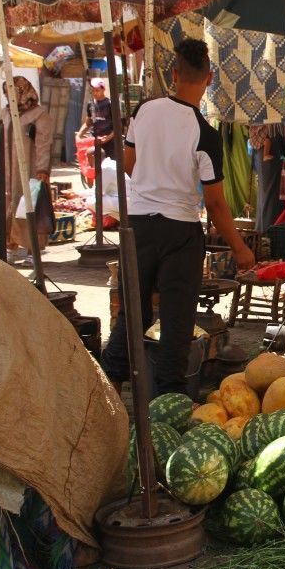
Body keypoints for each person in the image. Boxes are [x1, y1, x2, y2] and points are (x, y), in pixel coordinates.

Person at [100, 39, 256, 397]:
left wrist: (152, 174)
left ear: (174, 74)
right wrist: (239, 248)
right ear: (209, 79)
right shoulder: (205, 133)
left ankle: (109, 388)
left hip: (137, 227)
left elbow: (127, 164)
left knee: (132, 312)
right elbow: (215, 203)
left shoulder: (144, 111)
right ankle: (168, 404)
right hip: (180, 232)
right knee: (176, 322)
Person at [0, 76, 55, 262]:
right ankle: (10, 246)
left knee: (29, 208)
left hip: (29, 171)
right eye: (7, 93)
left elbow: (44, 144)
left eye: (13, 92)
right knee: (7, 209)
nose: (9, 97)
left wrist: (42, 170)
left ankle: (33, 250)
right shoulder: (4, 114)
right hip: (6, 172)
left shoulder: (39, 115)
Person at [77, 79, 116, 161]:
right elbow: (88, 123)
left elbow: (118, 127)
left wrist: (108, 138)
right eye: (93, 90)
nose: (95, 93)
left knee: (109, 168)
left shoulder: (110, 104)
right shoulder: (91, 104)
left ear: (103, 89)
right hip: (94, 141)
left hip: (109, 143)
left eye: (97, 90)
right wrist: (79, 135)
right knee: (94, 167)